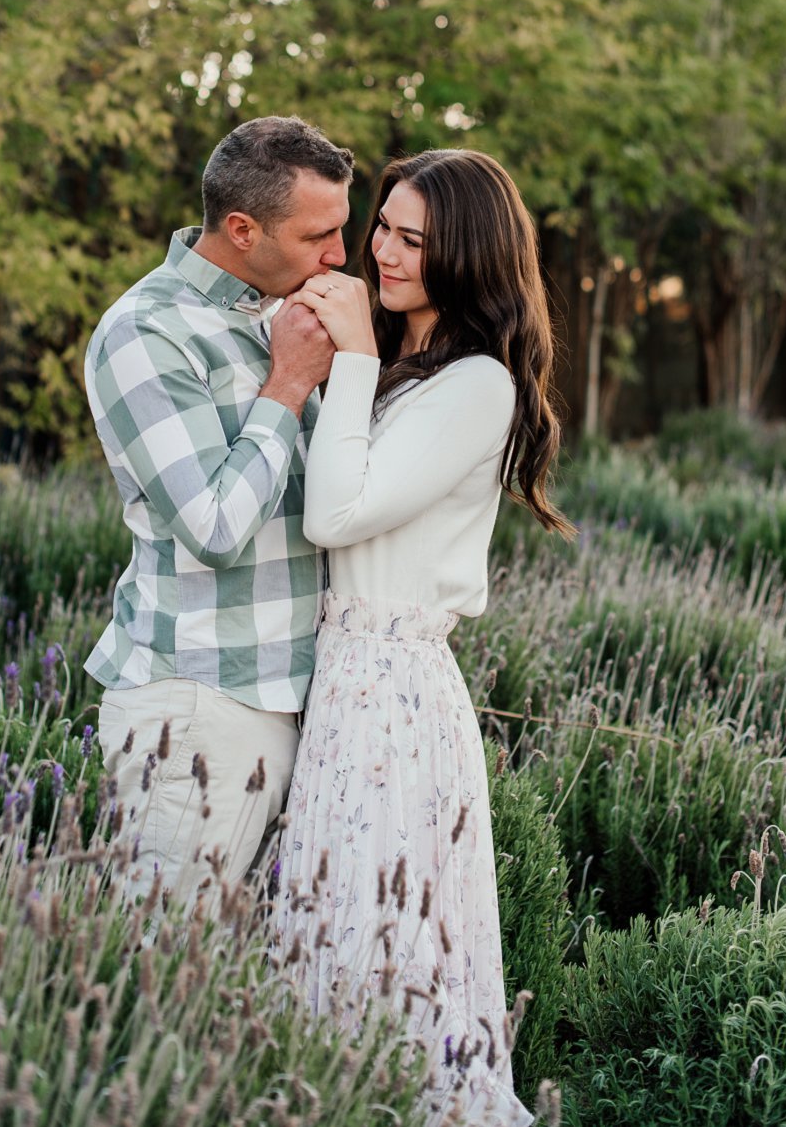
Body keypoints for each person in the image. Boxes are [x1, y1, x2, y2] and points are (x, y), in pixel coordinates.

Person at [272, 149, 573, 1127]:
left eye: (415, 240)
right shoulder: (408, 366)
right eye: (384, 228)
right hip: (344, 681)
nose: (385, 253)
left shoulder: (477, 386)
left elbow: (334, 515)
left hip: (395, 695)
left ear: (471, 259)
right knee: (330, 943)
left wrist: (353, 361)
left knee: (389, 950)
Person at [84, 115, 353, 907]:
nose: (337, 255)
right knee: (162, 975)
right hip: (201, 714)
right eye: (318, 237)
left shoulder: (279, 312)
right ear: (242, 229)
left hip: (298, 705)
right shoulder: (146, 332)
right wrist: (289, 386)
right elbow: (214, 529)